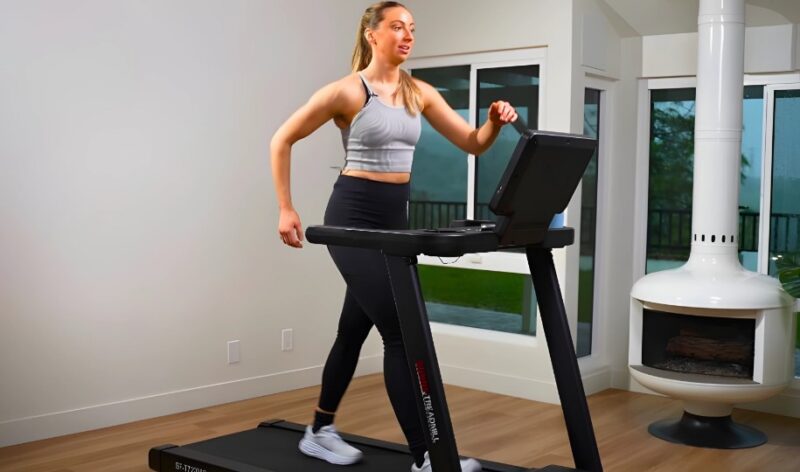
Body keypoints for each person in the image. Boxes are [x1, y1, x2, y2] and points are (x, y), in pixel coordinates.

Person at [270, 2, 517, 470]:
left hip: (392, 223)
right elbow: (281, 139)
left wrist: (493, 122)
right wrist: (286, 207)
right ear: (372, 34)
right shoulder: (347, 91)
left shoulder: (418, 92)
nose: (407, 35)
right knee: (401, 331)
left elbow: (471, 142)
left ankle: (320, 430)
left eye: (413, 29)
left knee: (353, 328)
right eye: (398, 27)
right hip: (351, 220)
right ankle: (428, 457)